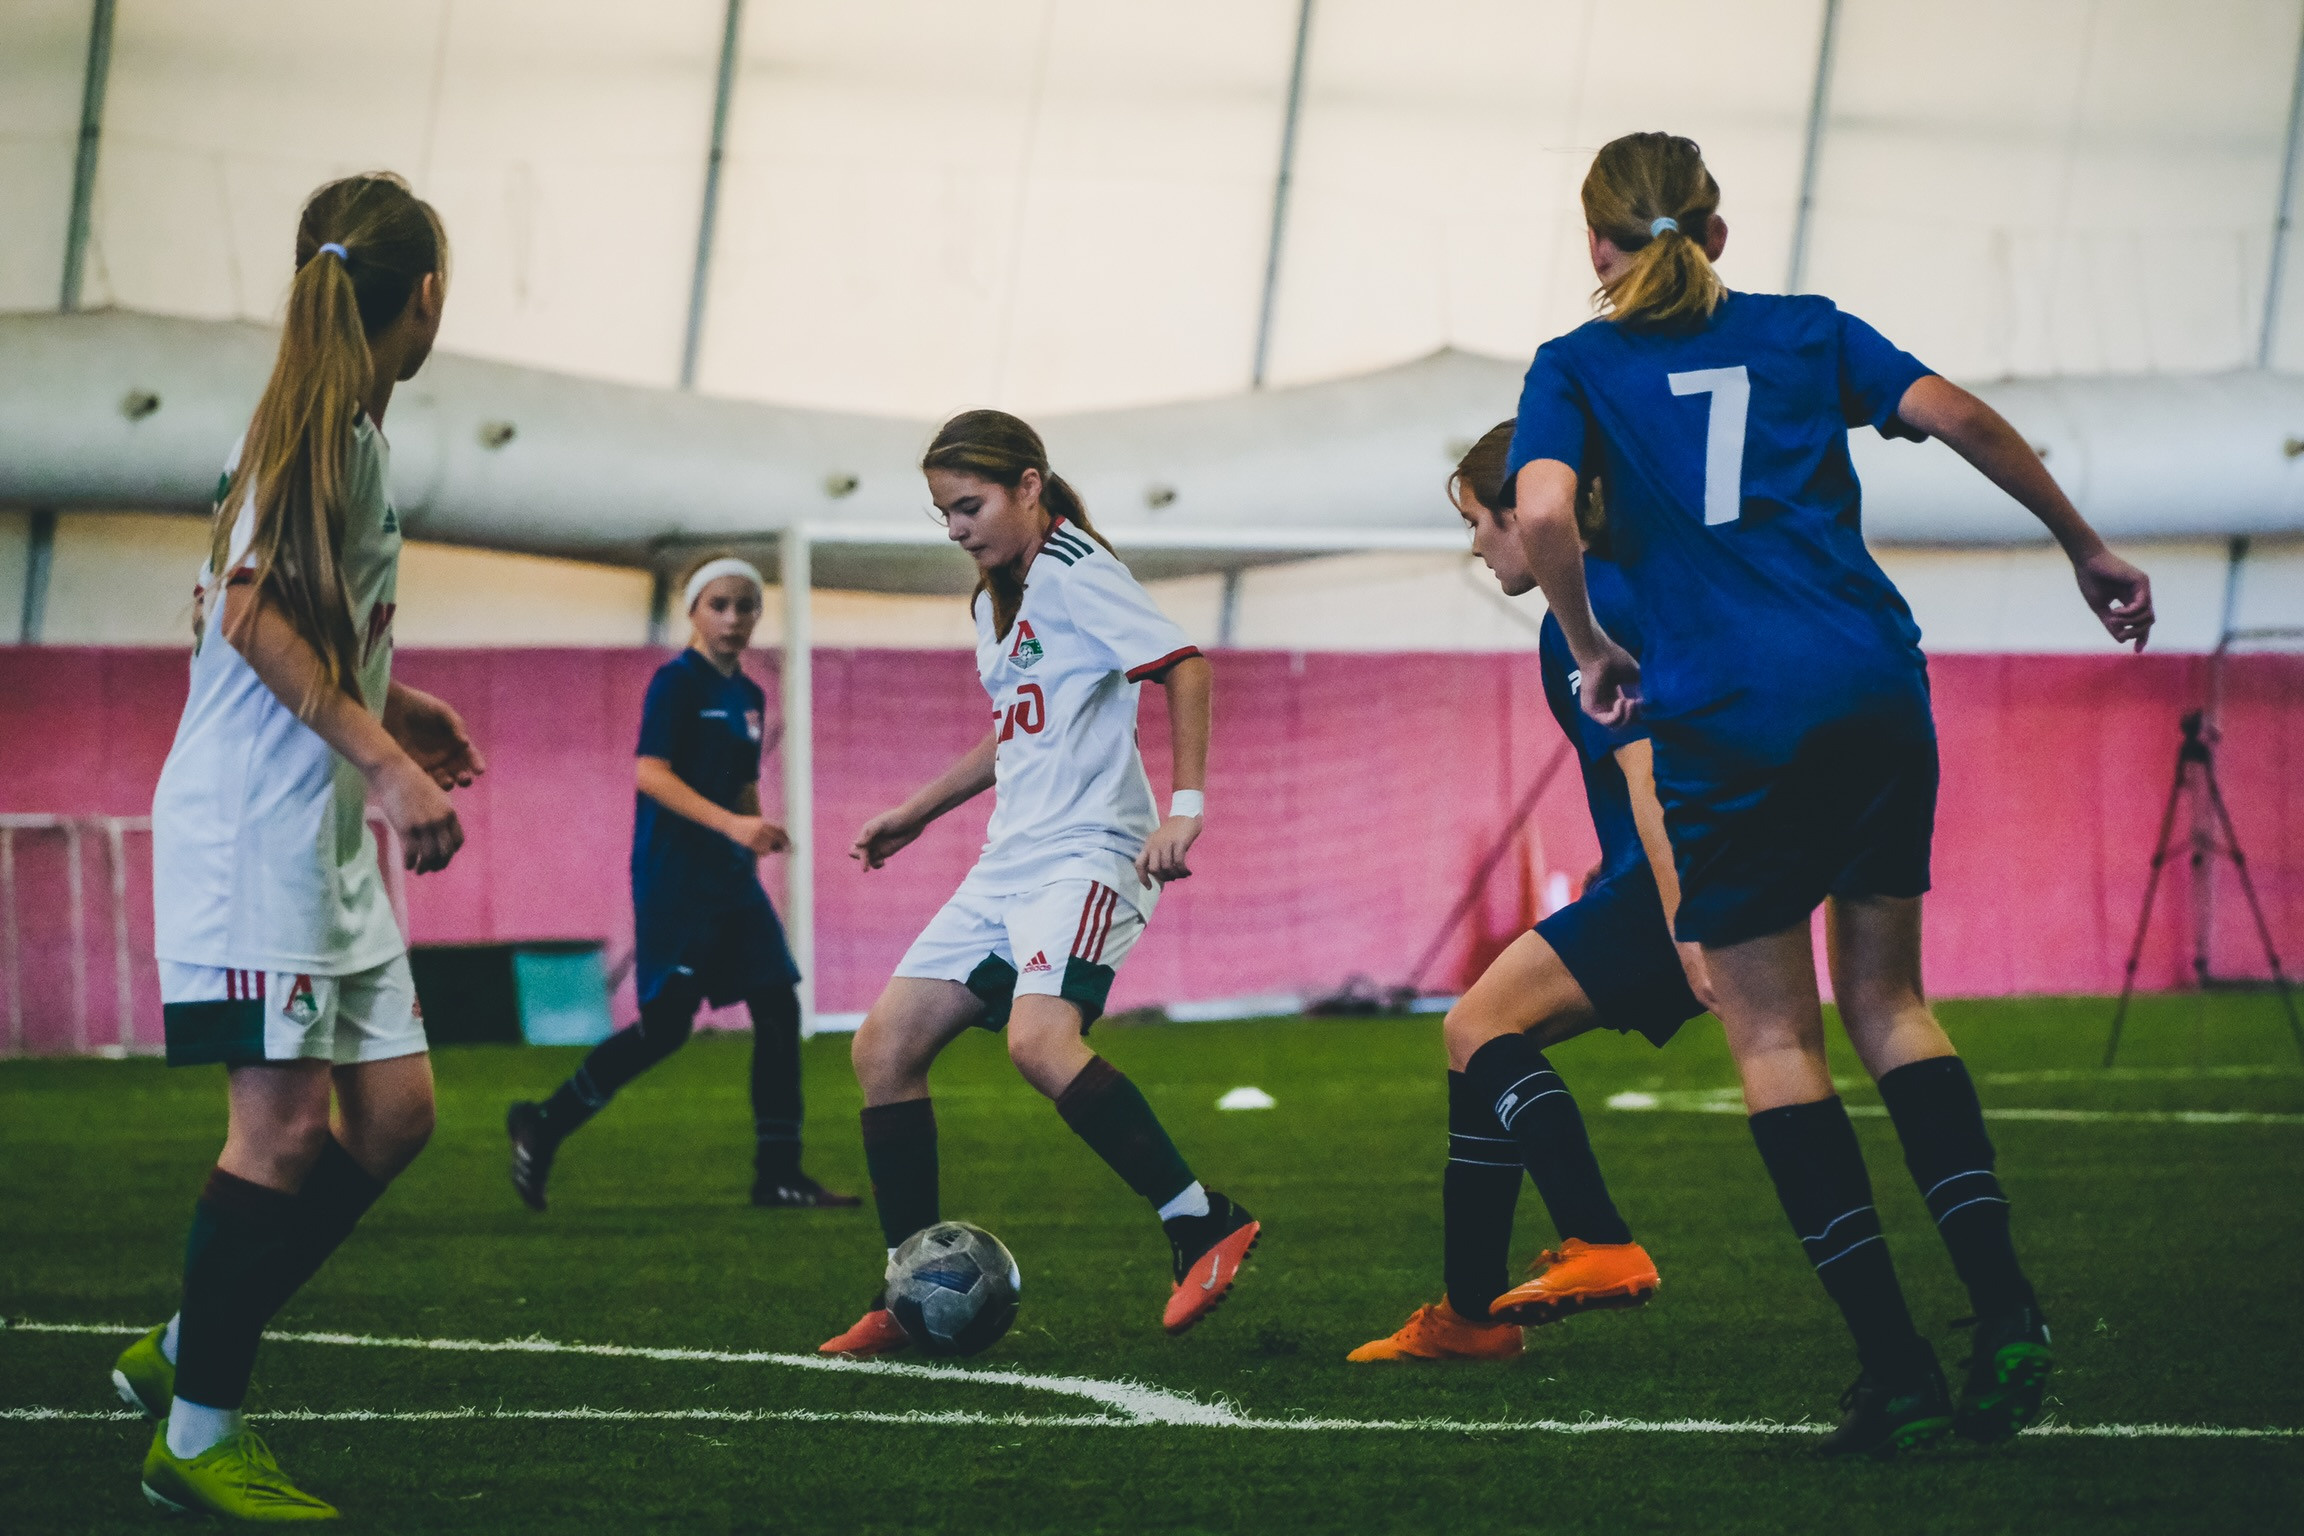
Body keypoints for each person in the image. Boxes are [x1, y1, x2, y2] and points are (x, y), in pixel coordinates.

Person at [1506, 132, 2154, 1455]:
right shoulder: (1805, 331)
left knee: (1774, 1041)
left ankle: (1898, 1371)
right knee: (1892, 1003)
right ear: (1720, 235)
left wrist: (1586, 644)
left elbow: (1543, 513)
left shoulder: (1577, 365)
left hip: (1732, 716)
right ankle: (2008, 1310)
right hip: (1872, 684)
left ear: (1595, 246)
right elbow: (1964, 416)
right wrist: (2083, 547)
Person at [115, 173, 481, 1520]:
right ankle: (200, 1438)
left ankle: (191, 1334)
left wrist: (397, 700)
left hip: (314, 839)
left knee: (395, 1115)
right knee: (277, 1135)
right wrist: (386, 765)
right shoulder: (313, 432)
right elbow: (258, 617)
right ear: (427, 298)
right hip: (255, 840)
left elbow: (287, 625)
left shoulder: (340, 435)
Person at [818, 409, 1257, 1356]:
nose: (957, 528)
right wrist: (920, 809)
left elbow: (1184, 667)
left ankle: (1200, 1222)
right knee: (883, 1049)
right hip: (1008, 860)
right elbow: (1016, 731)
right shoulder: (994, 600)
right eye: (943, 513)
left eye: (969, 505)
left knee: (1039, 1040)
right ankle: (908, 1292)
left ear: (1029, 486)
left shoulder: (1078, 573)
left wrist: (1185, 808)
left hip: (1092, 851)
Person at [1352, 424, 1714, 1364]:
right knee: (1483, 1036)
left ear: (1526, 514)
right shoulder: (1650, 581)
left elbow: (1651, 776)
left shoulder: (1580, 610)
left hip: (1676, 882)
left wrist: (1683, 920)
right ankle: (1470, 1316)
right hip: (1700, 868)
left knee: (1475, 1030)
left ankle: (1597, 1239)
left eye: (1479, 521)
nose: (1475, 544)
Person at [507, 557, 856, 1210]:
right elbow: (652, 775)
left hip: (732, 881)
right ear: (694, 611)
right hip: (676, 880)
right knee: (667, 1027)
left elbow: (745, 780)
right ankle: (544, 1123)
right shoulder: (676, 684)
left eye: (745, 606)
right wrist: (731, 826)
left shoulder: (749, 696)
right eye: (719, 604)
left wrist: (755, 830)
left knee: (779, 1008)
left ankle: (778, 1173)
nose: (733, 618)